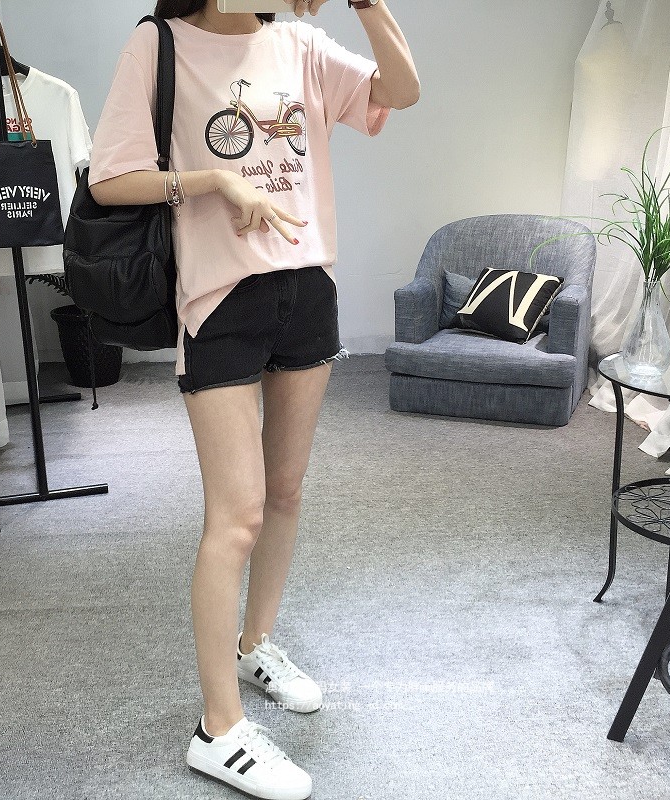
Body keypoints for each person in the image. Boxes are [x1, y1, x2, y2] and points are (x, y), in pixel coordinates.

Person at [88, 0, 419, 797]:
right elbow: (109, 177)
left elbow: (401, 91)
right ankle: (219, 728)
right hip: (220, 299)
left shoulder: (300, 44)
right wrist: (212, 180)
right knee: (234, 517)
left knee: (285, 492)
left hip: (307, 289)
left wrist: (368, 5)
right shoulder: (159, 44)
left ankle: (255, 644)